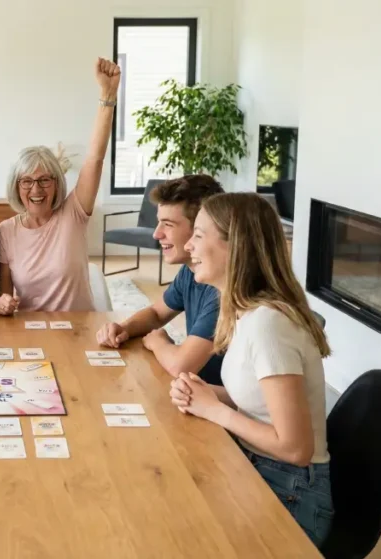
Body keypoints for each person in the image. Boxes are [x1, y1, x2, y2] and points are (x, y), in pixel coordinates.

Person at [169, 192, 333, 546]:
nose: (187, 245)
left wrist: (213, 410)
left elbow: (295, 449)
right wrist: (206, 394)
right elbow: (261, 402)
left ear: (235, 246)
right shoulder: (246, 313)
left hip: (290, 490)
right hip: (260, 466)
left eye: (198, 234)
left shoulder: (268, 325)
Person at [0, 58, 120, 315]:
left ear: (56, 182)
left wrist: (107, 95)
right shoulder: (6, 231)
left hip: (80, 328)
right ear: (16, 186)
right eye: (27, 181)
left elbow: (94, 158)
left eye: (44, 180)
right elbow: (4, 295)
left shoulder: (73, 212)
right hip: (33, 332)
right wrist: (3, 304)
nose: (36, 189)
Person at [95, 176, 225, 384]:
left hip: (214, 399)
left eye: (168, 224)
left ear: (200, 228)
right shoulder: (190, 271)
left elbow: (181, 365)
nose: (156, 234)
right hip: (196, 390)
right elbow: (156, 313)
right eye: (159, 222)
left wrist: (159, 342)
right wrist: (125, 328)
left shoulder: (222, 286)